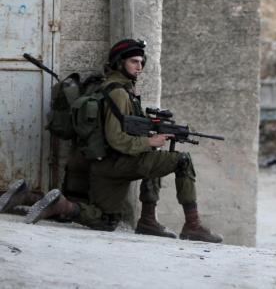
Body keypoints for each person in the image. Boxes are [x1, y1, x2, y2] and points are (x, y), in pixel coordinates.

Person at [21, 39, 223, 243]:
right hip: (115, 163)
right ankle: (192, 225)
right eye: (134, 62)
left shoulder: (106, 86)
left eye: (141, 62)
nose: (139, 67)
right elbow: (116, 138)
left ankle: (41, 201)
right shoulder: (118, 93)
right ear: (119, 62)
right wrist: (150, 142)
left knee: (106, 221)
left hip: (101, 164)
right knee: (182, 160)